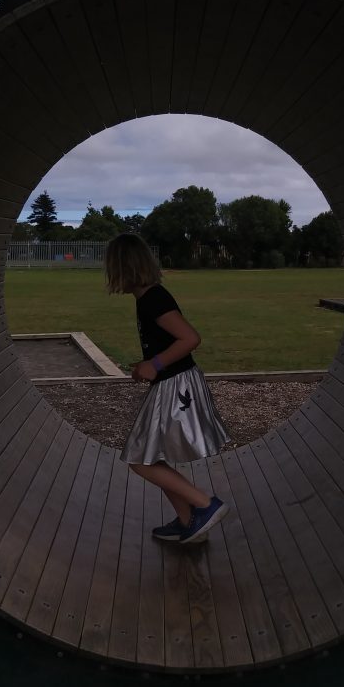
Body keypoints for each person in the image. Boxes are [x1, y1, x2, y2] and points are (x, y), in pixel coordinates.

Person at [104, 233, 231, 545]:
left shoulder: (154, 299)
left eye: (111, 267)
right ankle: (188, 521)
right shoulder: (148, 298)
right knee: (151, 454)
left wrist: (154, 365)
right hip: (172, 381)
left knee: (139, 459)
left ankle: (204, 505)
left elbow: (190, 338)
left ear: (124, 267)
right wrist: (147, 364)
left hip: (177, 385)